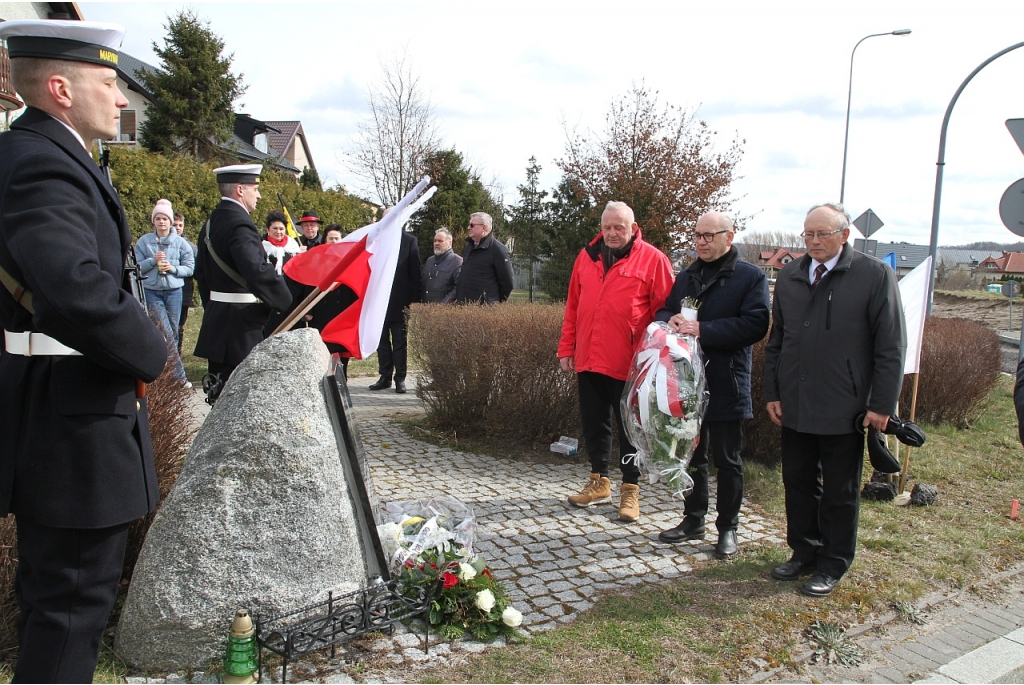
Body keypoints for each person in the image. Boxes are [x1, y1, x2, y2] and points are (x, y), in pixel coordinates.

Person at [0, 19, 169, 682]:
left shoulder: (47, 153)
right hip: (70, 425)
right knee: (71, 609)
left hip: (68, 415)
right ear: (62, 88)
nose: (123, 99)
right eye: (110, 82)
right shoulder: (41, 160)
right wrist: (151, 350)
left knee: (60, 608)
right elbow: (73, 283)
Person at [763, 202, 906, 597]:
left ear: (845, 235)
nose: (813, 241)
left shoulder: (874, 276)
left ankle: (833, 561)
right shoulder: (791, 273)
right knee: (797, 481)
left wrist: (881, 405)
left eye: (822, 234)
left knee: (841, 491)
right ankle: (803, 551)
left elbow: (891, 345)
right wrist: (773, 392)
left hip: (845, 405)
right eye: (807, 234)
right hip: (794, 401)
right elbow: (778, 341)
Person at [654, 212, 770, 557]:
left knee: (728, 460)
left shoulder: (750, 277)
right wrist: (668, 319)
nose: (701, 242)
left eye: (708, 236)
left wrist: (703, 330)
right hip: (686, 381)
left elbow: (755, 325)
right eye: (697, 236)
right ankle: (693, 519)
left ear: (729, 237)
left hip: (725, 381)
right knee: (691, 456)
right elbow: (664, 310)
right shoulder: (687, 275)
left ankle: (728, 529)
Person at [559, 201, 674, 523]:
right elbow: (573, 305)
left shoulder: (654, 260)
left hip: (631, 363)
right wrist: (567, 347)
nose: (612, 233)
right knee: (594, 423)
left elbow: (664, 313)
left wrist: (656, 359)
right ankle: (599, 481)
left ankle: (630, 488)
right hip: (589, 357)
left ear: (632, 228)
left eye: (619, 228)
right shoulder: (586, 257)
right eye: (607, 227)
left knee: (630, 429)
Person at [194, 164, 292, 402]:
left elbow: (202, 275)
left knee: (221, 397)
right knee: (242, 399)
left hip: (218, 320)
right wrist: (286, 300)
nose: (258, 195)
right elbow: (256, 270)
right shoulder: (240, 224)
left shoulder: (211, 222)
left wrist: (215, 306)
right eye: (255, 189)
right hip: (241, 327)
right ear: (240, 189)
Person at [134, 198, 194, 385]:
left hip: (174, 292)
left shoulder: (181, 244)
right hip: (152, 292)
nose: (161, 222)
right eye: (158, 218)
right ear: (153, 221)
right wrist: (152, 261)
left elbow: (190, 267)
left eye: (165, 219)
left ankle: (164, 376)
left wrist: (173, 269)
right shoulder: (144, 242)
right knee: (165, 333)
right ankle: (179, 378)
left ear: (170, 222)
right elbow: (135, 268)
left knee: (174, 333)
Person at [369, 229, 421, 393]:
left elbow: (415, 273)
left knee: (399, 343)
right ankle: (385, 377)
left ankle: (400, 379)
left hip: (400, 302)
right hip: (379, 302)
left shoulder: (409, 241)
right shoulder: (375, 240)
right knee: (382, 343)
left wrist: (414, 301)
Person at [454, 212, 514, 304]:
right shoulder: (469, 248)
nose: (468, 228)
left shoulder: (498, 250)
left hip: (484, 309)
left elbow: (507, 283)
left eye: (472, 225)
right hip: (464, 306)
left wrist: (492, 302)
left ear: (484, 227)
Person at [174, 211, 198, 356]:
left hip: (184, 290)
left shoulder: (191, 247)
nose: (177, 228)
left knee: (179, 325)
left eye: (180, 225)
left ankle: (177, 353)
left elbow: (196, 270)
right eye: (175, 224)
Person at [422, 228, 462, 303]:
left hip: (444, 312)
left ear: (450, 243)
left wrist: (443, 305)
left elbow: (458, 288)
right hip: (425, 309)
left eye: (440, 241)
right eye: (435, 241)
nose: (436, 243)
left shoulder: (457, 262)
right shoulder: (430, 261)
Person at [262, 210, 302, 275]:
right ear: (268, 229)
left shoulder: (292, 245)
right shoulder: (261, 245)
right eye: (275, 228)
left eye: (281, 229)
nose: (278, 232)